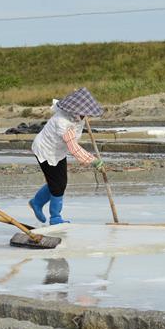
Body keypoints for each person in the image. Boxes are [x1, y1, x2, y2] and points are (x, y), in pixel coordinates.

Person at [28, 87, 105, 225]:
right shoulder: (63, 122)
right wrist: (93, 161)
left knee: (59, 182)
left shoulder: (77, 116)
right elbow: (73, 147)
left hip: (58, 151)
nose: (86, 116)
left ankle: (36, 202)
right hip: (46, 150)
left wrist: (83, 118)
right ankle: (55, 218)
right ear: (75, 111)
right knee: (58, 185)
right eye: (84, 113)